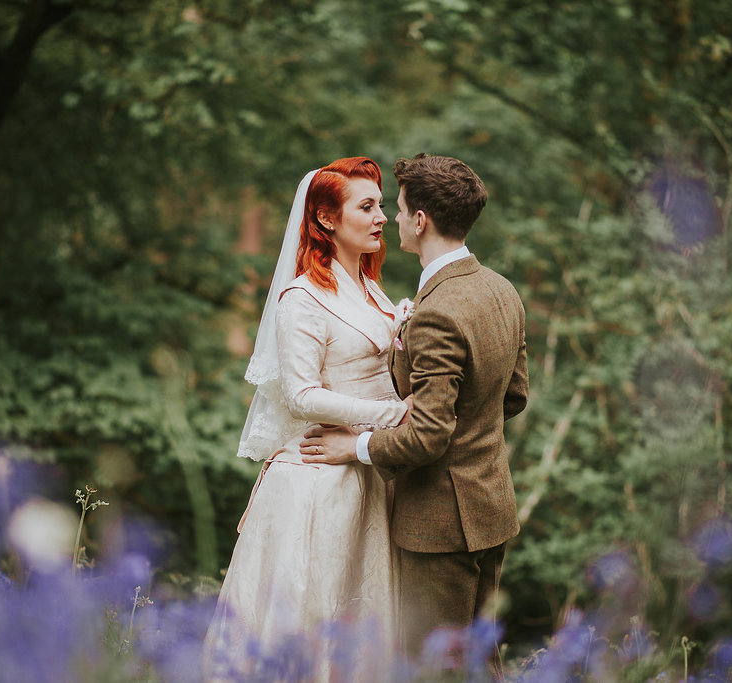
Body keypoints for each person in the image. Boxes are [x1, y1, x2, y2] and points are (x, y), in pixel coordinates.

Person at [300, 153, 529, 677]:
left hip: (440, 526)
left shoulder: (439, 312)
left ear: (421, 220)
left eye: (400, 210)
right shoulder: (501, 290)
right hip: (491, 507)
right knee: (480, 663)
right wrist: (468, 427)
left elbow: (427, 435)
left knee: (438, 669)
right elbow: (512, 396)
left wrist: (352, 446)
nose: (394, 219)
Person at [203, 157, 411, 680]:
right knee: (311, 617)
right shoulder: (302, 298)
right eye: (366, 207)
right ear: (325, 220)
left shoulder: (369, 287)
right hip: (318, 483)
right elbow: (301, 395)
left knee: (359, 621)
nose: (382, 217)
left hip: (364, 474)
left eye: (382, 205)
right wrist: (392, 415)